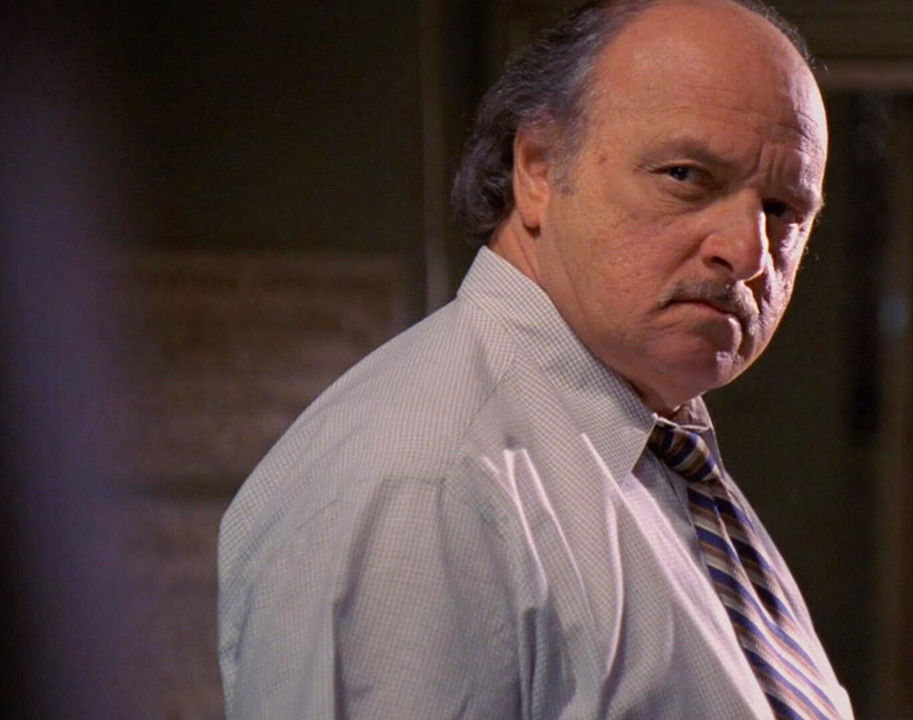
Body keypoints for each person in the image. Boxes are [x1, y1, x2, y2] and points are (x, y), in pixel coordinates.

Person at [217, 0, 853, 717]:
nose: (746, 251)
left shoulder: (651, 452)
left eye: (783, 209)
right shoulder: (430, 485)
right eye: (686, 176)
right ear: (538, 170)